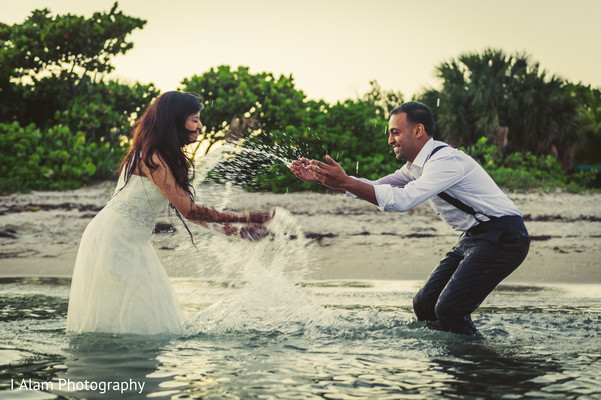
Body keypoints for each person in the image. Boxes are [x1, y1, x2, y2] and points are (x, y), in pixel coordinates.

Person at [290, 101, 530, 337]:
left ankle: (482, 364)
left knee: (450, 309)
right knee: (424, 305)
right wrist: (327, 179)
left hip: (504, 236)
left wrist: (345, 181)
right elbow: (375, 187)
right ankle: (448, 359)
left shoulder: (445, 161)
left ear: (418, 130)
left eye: (395, 132)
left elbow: (403, 201)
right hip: (475, 237)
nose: (390, 140)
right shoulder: (413, 167)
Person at [67, 91, 273, 335]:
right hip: (116, 239)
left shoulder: (157, 155)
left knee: (141, 312)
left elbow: (190, 212)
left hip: (127, 238)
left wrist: (235, 232)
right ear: (175, 121)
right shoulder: (153, 158)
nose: (200, 126)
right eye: (194, 119)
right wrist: (244, 218)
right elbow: (189, 210)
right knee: (133, 313)